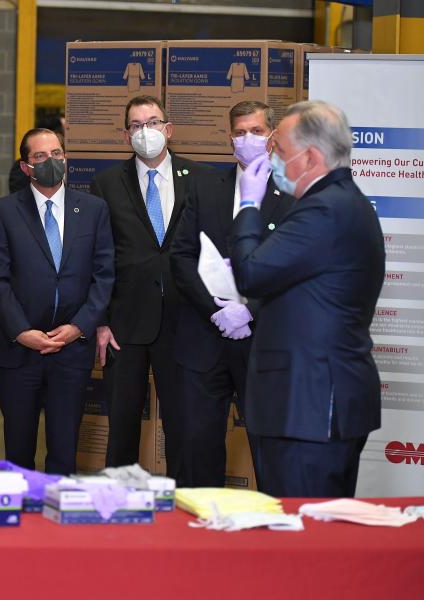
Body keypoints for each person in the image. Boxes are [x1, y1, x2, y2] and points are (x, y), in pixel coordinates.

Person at [229, 100, 385, 497]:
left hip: (309, 406)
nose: (271, 161)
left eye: (279, 151)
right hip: (311, 402)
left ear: (311, 156)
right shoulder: (344, 204)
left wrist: (248, 202)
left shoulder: (323, 211)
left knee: (304, 541)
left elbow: (250, 273)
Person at [169, 101, 293, 487]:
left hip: (264, 343)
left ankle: (275, 532)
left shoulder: (292, 191)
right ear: (229, 138)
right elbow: (181, 256)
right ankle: (202, 535)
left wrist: (249, 310)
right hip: (206, 339)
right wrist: (216, 312)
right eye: (239, 133)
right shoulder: (206, 186)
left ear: (272, 137)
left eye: (256, 131)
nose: (247, 140)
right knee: (198, 445)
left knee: (269, 447)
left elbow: (295, 265)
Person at [89, 95, 209, 478]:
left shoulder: (201, 179)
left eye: (153, 122)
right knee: (122, 423)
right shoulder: (106, 184)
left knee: (184, 424)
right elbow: (99, 258)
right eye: (137, 125)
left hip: (184, 321)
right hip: (126, 324)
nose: (146, 132)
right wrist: (102, 322)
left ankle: (182, 501)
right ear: (127, 135)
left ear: (168, 129)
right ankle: (119, 504)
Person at [0, 128, 115, 475]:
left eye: (57, 154)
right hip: (19, 348)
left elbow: (104, 276)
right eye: (40, 156)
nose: (51, 162)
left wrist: (79, 327)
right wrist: (21, 331)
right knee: (18, 448)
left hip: (71, 347)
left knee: (64, 447)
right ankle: (20, 519)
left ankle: (58, 519)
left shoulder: (93, 209)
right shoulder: (4, 212)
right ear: (26, 166)